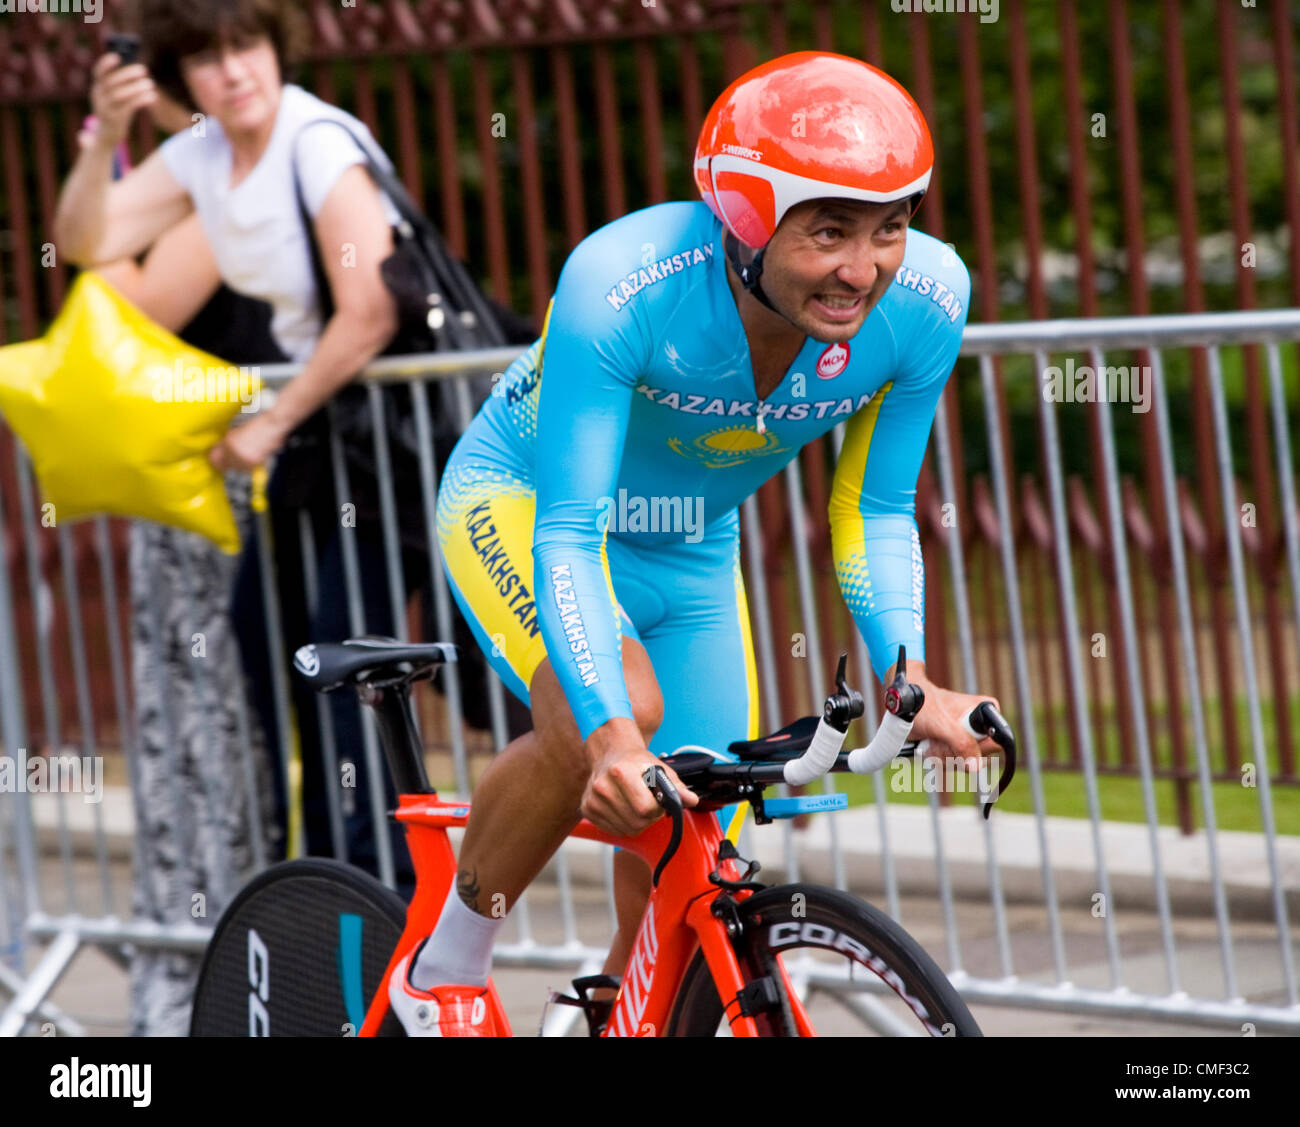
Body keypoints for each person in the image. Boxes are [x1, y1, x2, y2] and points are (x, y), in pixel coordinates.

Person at [390, 51, 1002, 1036]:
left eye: (890, 227)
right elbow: (568, 525)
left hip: (693, 549)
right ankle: (444, 962)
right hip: (524, 506)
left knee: (689, 833)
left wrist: (909, 679)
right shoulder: (622, 281)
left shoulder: (925, 300)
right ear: (750, 218)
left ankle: (617, 1019)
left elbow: (878, 506)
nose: (863, 269)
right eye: (830, 229)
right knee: (614, 715)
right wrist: (608, 732)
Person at [51, 0, 418, 903]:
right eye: (207, 57)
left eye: (246, 45)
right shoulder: (207, 155)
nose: (233, 72)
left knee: (351, 676)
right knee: (273, 648)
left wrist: (267, 420)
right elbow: (86, 242)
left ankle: (391, 920)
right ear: (184, 79)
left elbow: (370, 309)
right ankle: (334, 906)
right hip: (320, 442)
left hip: (392, 443)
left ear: (275, 48)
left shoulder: (315, 141)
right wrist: (104, 140)